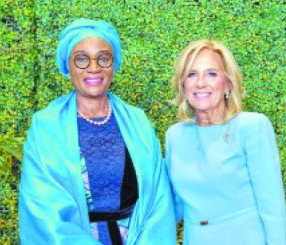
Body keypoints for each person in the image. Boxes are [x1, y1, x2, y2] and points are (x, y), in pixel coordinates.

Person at [19, 18, 176, 245]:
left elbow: (158, 200)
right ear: (67, 65)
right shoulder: (45, 126)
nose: (94, 67)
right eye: (81, 59)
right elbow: (42, 209)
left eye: (103, 58)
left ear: (114, 64)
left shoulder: (137, 121)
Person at [165, 39, 286, 244]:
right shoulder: (175, 136)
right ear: (183, 85)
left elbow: (272, 206)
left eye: (211, 74)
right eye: (192, 74)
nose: (200, 82)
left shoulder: (252, 126)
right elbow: (172, 205)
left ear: (228, 84)